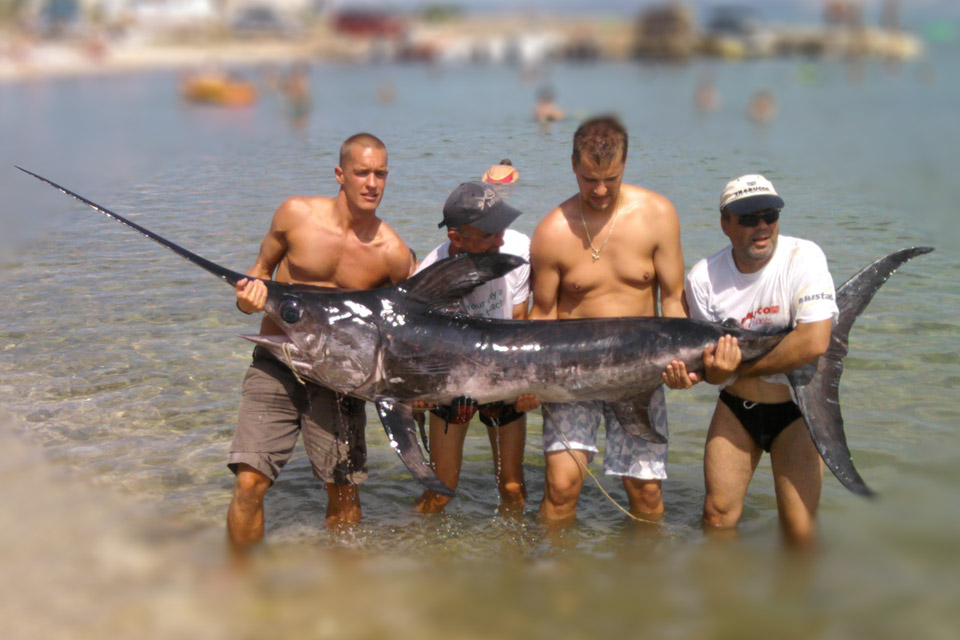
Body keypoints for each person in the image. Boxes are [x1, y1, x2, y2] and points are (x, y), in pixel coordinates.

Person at [227, 133, 416, 557]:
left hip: (339, 379)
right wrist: (246, 299)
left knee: (343, 492)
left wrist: (409, 391)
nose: (372, 183)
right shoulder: (295, 215)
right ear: (340, 174)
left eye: (380, 173)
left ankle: (341, 597)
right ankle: (239, 583)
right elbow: (254, 278)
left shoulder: (392, 253)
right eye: (362, 172)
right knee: (249, 483)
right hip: (276, 362)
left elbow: (405, 330)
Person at [662, 174, 838, 547]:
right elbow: (705, 366)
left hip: (796, 412)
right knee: (716, 518)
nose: (762, 226)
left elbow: (814, 340)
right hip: (735, 410)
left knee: (799, 529)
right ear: (725, 223)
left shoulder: (803, 257)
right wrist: (689, 377)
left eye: (769, 215)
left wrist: (733, 369)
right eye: (747, 218)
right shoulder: (704, 278)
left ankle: (799, 601)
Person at [529, 115, 686, 522]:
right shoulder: (551, 232)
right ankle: (553, 580)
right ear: (572, 166)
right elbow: (542, 314)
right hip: (570, 373)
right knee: (562, 486)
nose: (599, 190)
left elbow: (672, 301)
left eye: (610, 179)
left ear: (625, 165)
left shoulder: (659, 215)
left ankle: (644, 580)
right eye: (588, 179)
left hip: (642, 371)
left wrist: (683, 364)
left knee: (646, 493)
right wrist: (530, 382)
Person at [414, 181, 537, 514]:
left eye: (501, 228)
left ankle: (513, 559)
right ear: (457, 238)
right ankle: (404, 552)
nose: (500, 240)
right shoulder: (429, 274)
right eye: (488, 234)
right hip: (453, 384)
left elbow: (520, 323)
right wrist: (419, 396)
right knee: (440, 492)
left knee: (512, 489)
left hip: (503, 376)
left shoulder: (519, 250)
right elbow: (419, 349)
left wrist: (530, 386)